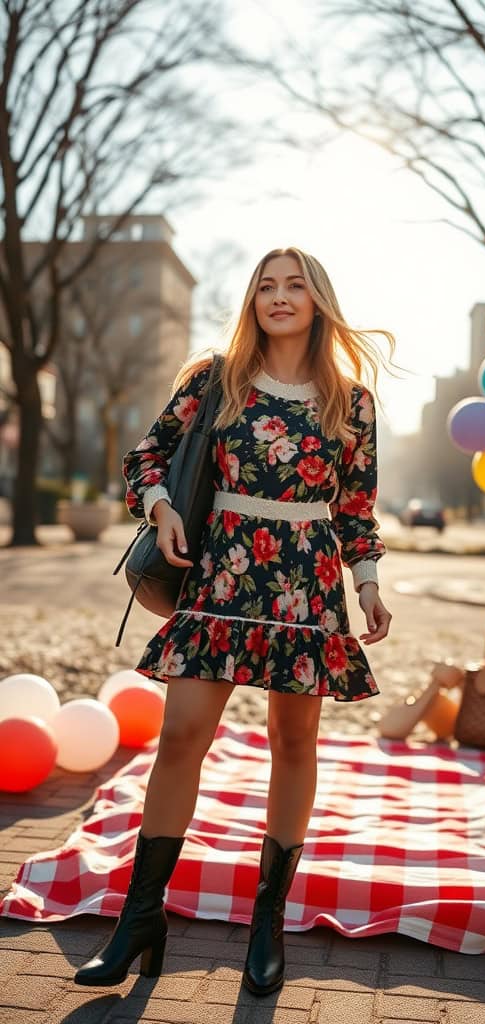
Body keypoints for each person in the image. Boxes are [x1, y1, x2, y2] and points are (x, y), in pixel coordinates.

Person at [74, 246, 394, 996]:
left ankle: (267, 923)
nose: (280, 298)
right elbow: (148, 457)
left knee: (294, 741)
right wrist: (159, 510)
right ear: (252, 301)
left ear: (319, 300)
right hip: (223, 575)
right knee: (181, 733)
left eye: (295, 286)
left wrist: (370, 583)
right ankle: (140, 918)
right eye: (266, 287)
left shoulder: (353, 401)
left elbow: (355, 509)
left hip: (307, 584)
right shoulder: (215, 380)